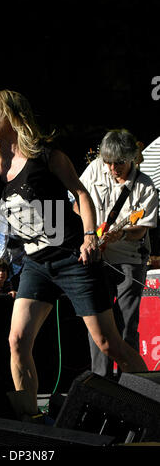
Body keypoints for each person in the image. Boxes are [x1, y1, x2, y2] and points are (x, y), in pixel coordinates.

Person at [0, 89, 148, 418]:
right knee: (18, 340)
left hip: (71, 256)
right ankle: (29, 418)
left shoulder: (46, 155)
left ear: (13, 115)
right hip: (36, 263)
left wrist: (88, 236)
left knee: (109, 343)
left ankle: (154, 401)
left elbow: (80, 194)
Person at [75, 129, 158, 378]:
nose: (112, 168)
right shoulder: (93, 170)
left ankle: (131, 385)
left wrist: (120, 233)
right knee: (99, 327)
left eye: (119, 163)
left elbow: (140, 230)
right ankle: (100, 382)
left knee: (126, 326)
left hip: (129, 259)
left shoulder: (145, 186)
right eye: (108, 162)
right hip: (98, 258)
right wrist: (91, 231)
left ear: (132, 157)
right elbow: (76, 202)